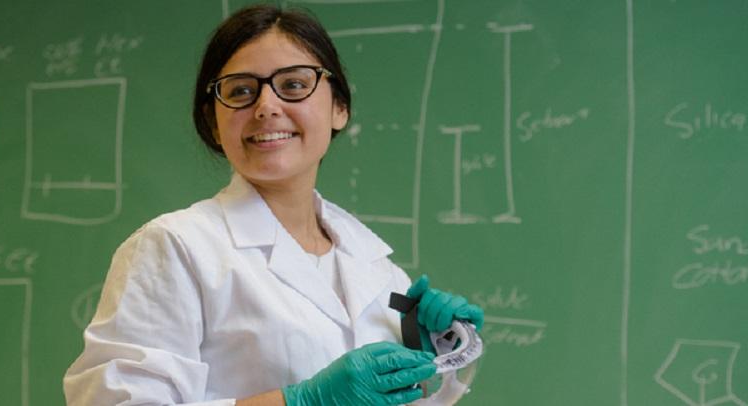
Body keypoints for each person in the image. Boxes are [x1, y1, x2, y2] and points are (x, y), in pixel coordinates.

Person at [64, 5, 484, 405]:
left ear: (339, 108)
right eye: (241, 91)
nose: (266, 107)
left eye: (294, 85)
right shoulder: (176, 248)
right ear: (214, 122)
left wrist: (437, 360)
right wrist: (301, 402)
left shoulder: (379, 271)